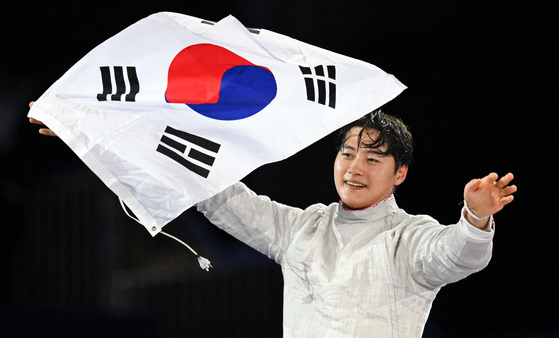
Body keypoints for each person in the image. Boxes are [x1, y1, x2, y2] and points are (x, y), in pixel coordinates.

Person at [29, 103, 517, 337]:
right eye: (348, 153)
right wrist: (96, 132)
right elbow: (217, 193)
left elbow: (455, 255)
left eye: (373, 159)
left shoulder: (408, 238)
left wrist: (474, 217)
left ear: (400, 174)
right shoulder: (300, 228)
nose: (354, 167)